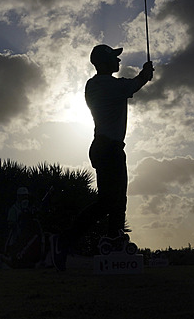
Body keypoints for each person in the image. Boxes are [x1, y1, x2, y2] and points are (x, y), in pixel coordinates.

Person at [51, 44, 154, 270]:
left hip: (108, 147)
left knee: (118, 200)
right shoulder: (106, 85)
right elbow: (136, 83)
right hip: (108, 148)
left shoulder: (94, 85)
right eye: (114, 59)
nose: (119, 62)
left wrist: (143, 77)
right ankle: (66, 240)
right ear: (104, 63)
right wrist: (146, 74)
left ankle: (115, 240)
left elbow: (131, 85)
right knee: (108, 201)